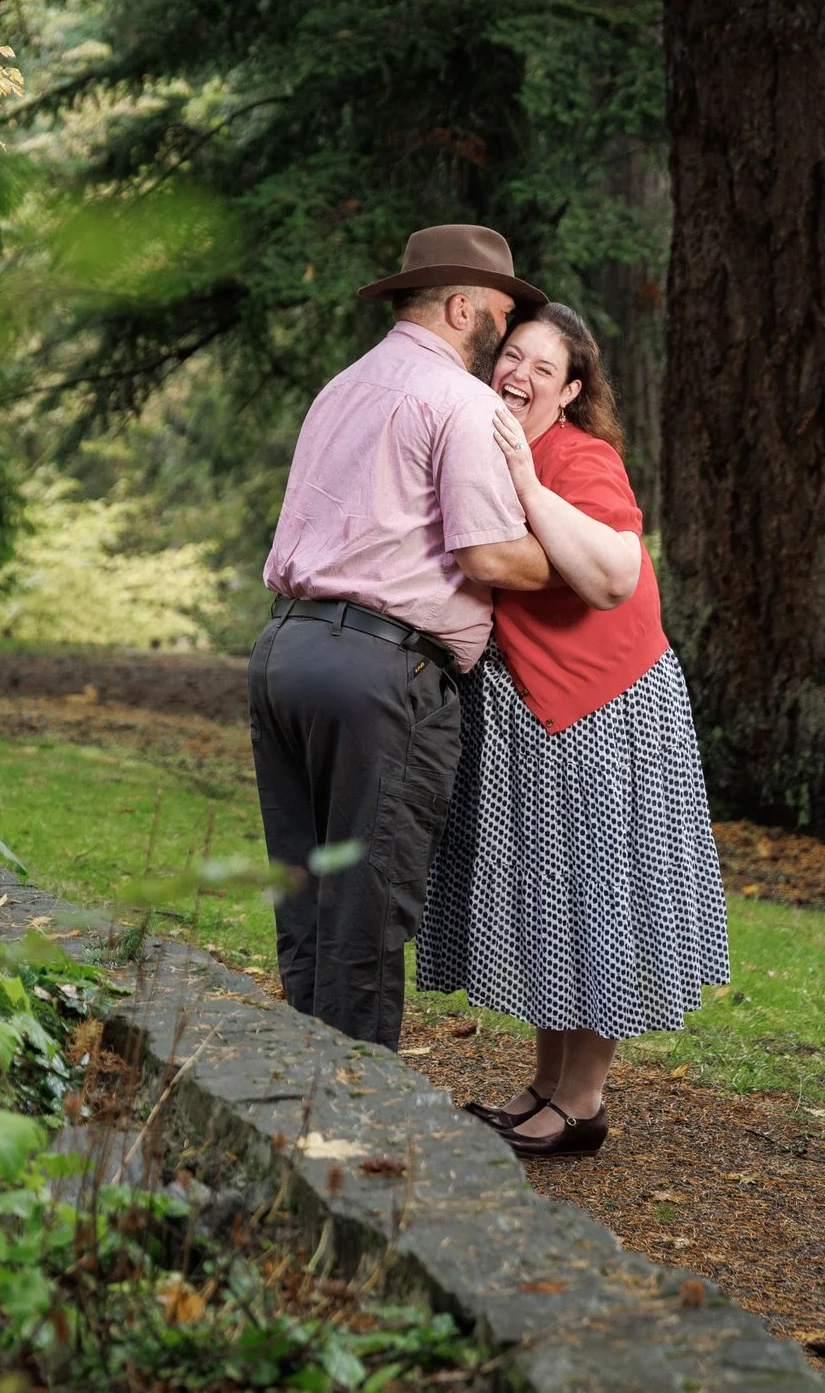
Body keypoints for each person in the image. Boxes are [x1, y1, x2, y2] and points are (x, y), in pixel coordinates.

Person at [414, 304, 731, 1157]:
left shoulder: (582, 457)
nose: (518, 374)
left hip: (605, 712)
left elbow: (616, 573)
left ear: (570, 391)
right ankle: (548, 1083)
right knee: (555, 898)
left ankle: (583, 1101)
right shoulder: (490, 444)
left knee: (596, 899)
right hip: (538, 710)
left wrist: (525, 482)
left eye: (542, 368)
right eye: (511, 355)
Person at [252, 225, 553, 1050]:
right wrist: (582, 557)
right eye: (499, 312)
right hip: (380, 674)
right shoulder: (461, 400)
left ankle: (302, 1090)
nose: (503, 331)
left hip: (285, 652)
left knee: (308, 900)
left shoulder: (341, 387)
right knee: (367, 907)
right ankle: (354, 1113)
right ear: (461, 307)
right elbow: (489, 553)